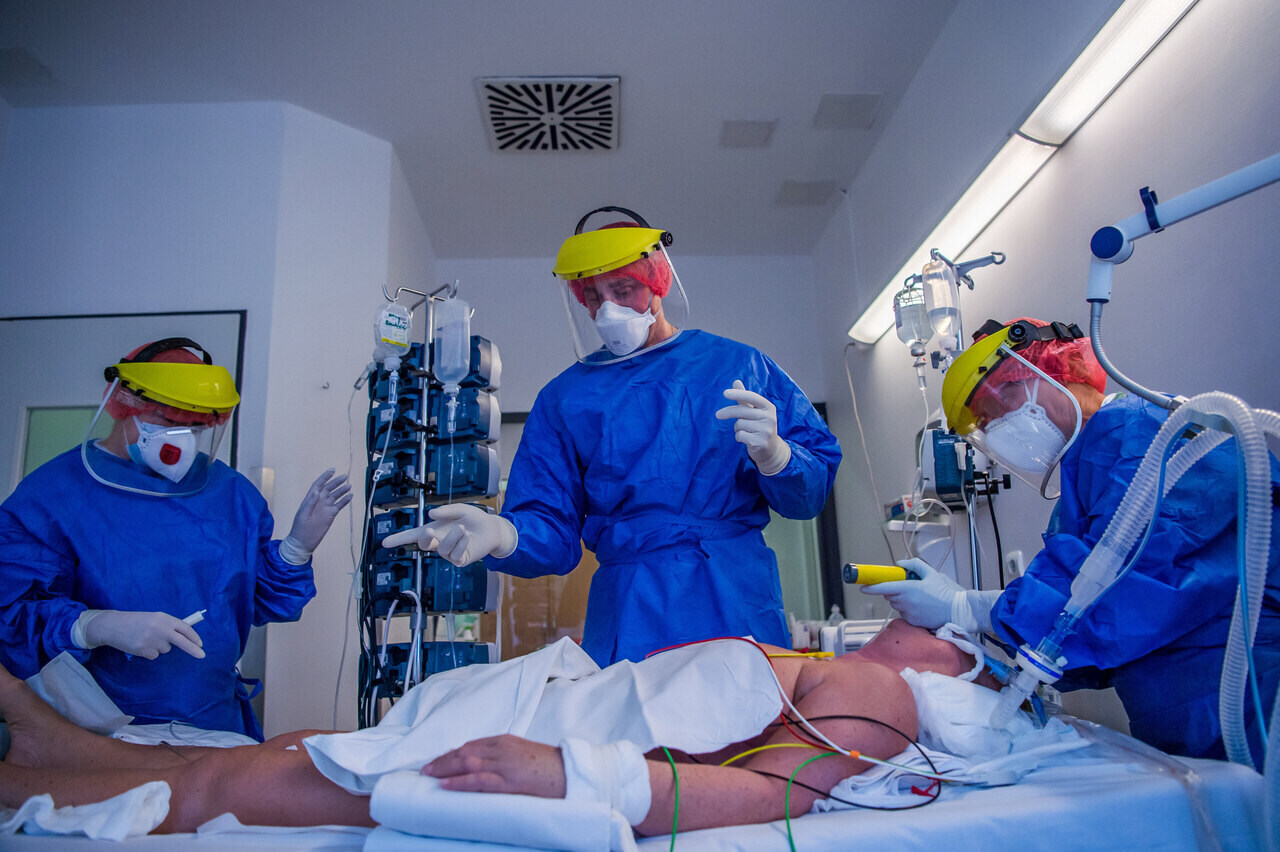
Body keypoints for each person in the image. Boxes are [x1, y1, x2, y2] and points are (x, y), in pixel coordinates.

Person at [0, 618, 997, 836]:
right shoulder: (846, 668)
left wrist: (570, 774)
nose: (917, 613)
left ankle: (27, 776)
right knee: (288, 750)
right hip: (541, 702)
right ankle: (55, 746)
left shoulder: (888, 694)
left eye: (949, 627)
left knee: (244, 783)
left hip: (534, 742)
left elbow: (775, 796)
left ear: (957, 667)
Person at [384, 207, 842, 665]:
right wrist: (506, 533)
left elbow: (808, 497)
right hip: (630, 607)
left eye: (623, 291)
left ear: (658, 282)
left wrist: (779, 458)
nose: (607, 311)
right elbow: (551, 526)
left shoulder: (739, 366)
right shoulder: (565, 398)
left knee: (746, 708)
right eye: (593, 298)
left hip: (732, 595)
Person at [863, 317, 1280, 760]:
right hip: (1191, 707)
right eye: (984, 424)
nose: (996, 429)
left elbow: (1113, 595)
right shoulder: (1095, 462)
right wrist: (995, 647)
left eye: (996, 407)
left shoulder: (1145, 440)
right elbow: (1082, 617)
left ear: (1051, 372)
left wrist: (964, 608)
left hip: (1246, 695)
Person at [0, 337, 352, 741]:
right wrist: (93, 626)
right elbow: (11, 616)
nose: (181, 437)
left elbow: (254, 600)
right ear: (122, 404)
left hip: (211, 722)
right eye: (167, 420)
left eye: (197, 427)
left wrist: (295, 550)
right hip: (92, 729)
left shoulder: (230, 493)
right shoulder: (53, 495)